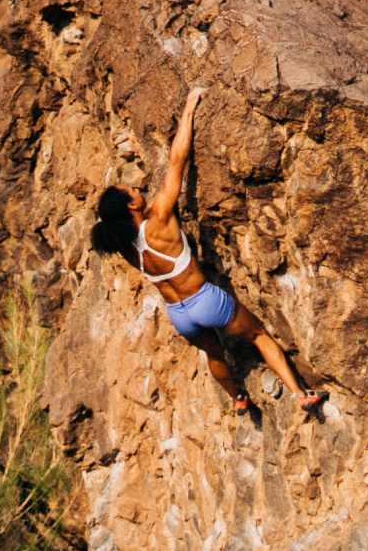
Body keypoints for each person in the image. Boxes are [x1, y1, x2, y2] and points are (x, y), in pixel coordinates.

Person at [91, 81, 324, 419]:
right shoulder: (158, 217)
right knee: (258, 336)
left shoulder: (127, 247)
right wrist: (189, 109)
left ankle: (238, 398)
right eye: (131, 189)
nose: (137, 187)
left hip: (179, 315)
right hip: (205, 300)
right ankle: (300, 394)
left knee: (214, 354)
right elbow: (177, 162)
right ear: (131, 206)